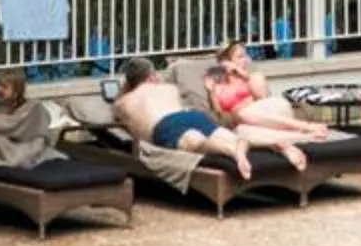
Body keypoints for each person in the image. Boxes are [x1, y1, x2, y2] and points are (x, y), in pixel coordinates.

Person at [113, 56, 272, 177]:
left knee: (198, 143)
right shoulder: (168, 89)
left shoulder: (123, 102)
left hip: (166, 125)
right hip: (190, 115)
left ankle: (231, 152)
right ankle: (249, 144)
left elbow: (116, 109)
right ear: (152, 76)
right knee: (226, 136)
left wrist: (127, 85)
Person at [203, 41, 349, 144]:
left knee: (244, 115)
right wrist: (211, 91)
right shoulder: (216, 83)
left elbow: (263, 99)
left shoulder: (252, 77)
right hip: (246, 123)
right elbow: (219, 112)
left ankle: (305, 126)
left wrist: (240, 72)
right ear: (224, 61)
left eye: (245, 56)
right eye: (240, 57)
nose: (246, 60)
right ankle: (305, 136)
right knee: (244, 133)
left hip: (270, 112)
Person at [0, 70, 66, 173]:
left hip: (26, 144)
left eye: (4, 87)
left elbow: (21, 123)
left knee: (30, 148)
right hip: (1, 149)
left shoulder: (31, 106)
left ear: (16, 92)